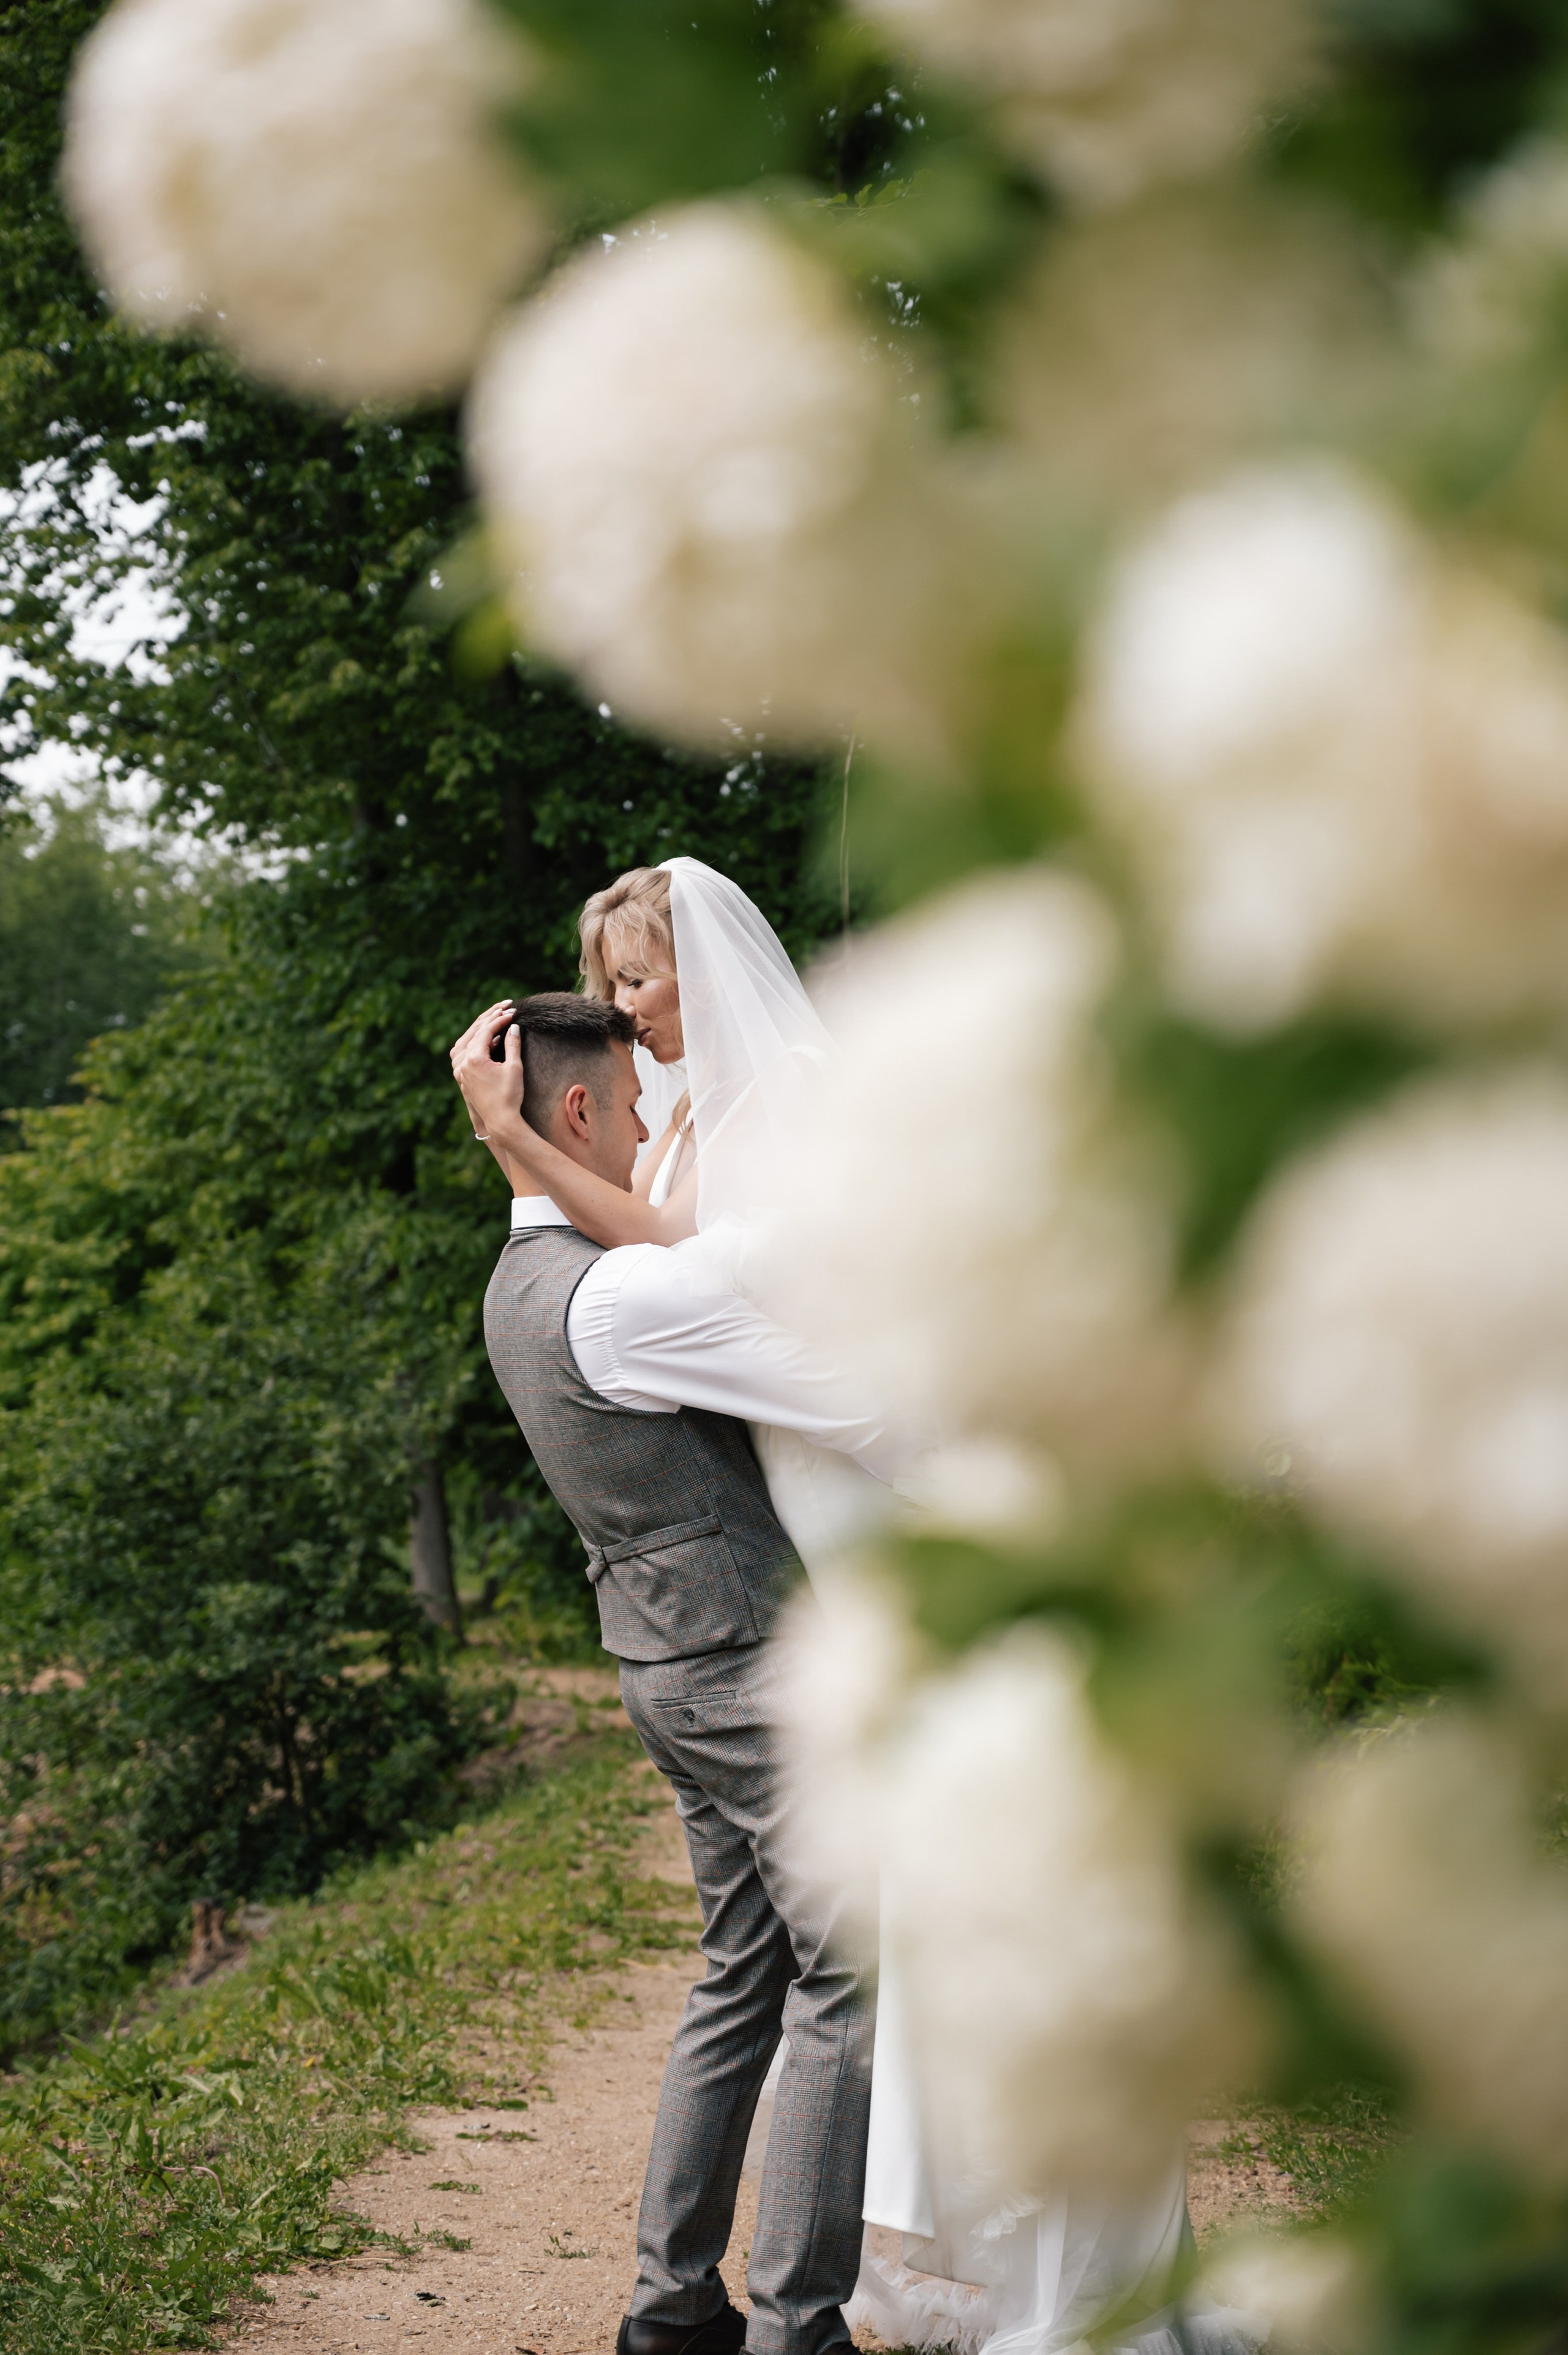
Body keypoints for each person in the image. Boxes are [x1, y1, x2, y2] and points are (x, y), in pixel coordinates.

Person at [453, 863, 1260, 2355]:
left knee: (908, 1927)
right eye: (609, 986)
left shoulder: (773, 1128)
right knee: (879, 1943)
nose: (627, 1011)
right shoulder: (683, 1136)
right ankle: (858, 2286)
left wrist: (513, 1144)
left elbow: (704, 1273)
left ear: (702, 969)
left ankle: (932, 2286)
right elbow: (660, 1255)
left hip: (858, 1516)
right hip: (798, 1551)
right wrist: (529, 1145)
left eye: (640, 976)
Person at [461, 989, 900, 2355]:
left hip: (658, 1662)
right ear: (578, 1111)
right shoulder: (628, 1290)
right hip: (744, 1665)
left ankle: (669, 2310)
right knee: (853, 1965)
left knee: (741, 1967)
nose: (655, 1132)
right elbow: (858, 1403)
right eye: (638, 1108)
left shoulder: (514, 1284)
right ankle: (795, 2326)